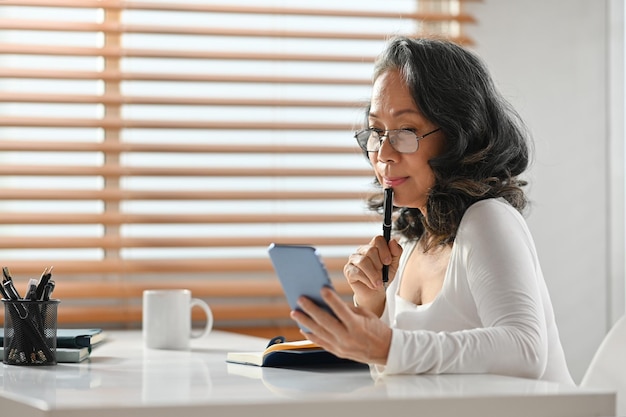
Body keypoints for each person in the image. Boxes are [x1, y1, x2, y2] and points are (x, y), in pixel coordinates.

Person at [290, 36, 574, 385]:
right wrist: (373, 305)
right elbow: (401, 376)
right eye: (377, 132)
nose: (383, 154)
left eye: (407, 131)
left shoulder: (488, 219)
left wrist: (386, 344)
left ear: (458, 134)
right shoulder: (411, 244)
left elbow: (525, 351)